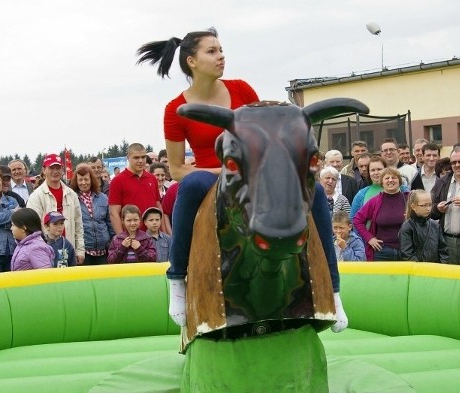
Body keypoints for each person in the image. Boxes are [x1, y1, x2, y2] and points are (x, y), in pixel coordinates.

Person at [137, 28, 347, 332]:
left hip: (252, 177)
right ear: (192, 61)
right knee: (191, 186)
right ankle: (177, 278)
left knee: (310, 192)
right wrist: (228, 172)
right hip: (212, 177)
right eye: (212, 51)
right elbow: (178, 169)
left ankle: (334, 290)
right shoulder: (174, 110)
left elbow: (268, 138)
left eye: (221, 49)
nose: (221, 56)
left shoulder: (242, 89)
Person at [27, 153, 85, 265]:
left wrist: (80, 251)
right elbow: (33, 228)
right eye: (51, 168)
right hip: (45, 253)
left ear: (63, 170)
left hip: (69, 250)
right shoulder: (36, 196)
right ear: (44, 170)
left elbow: (78, 224)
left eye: (58, 168)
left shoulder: (71, 194)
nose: (55, 171)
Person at [354, 168, 410, 261]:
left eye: (394, 177)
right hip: (382, 251)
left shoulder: (409, 199)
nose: (390, 180)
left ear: (399, 181)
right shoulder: (375, 201)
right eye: (387, 178)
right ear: (382, 182)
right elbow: (357, 220)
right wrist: (369, 238)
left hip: (407, 250)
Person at [108, 143, 164, 235]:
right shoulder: (118, 181)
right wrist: (121, 237)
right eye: (136, 158)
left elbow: (157, 205)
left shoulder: (152, 178)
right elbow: (114, 213)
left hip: (153, 235)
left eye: (143, 157)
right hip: (131, 236)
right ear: (128, 158)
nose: (141, 161)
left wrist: (162, 232)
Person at [70, 164, 114, 265]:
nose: (83, 183)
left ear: (91, 180)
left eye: (86, 179)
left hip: (104, 250)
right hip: (84, 251)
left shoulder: (103, 198)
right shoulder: (72, 199)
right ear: (76, 182)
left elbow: (109, 222)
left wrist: (113, 242)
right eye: (80, 180)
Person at [399, 189, 449, 263]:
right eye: (424, 205)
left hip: (435, 269)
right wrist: (422, 269)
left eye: (430, 205)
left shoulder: (435, 225)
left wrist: (443, 264)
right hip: (417, 271)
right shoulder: (407, 227)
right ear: (413, 206)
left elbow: (443, 249)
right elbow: (407, 254)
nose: (428, 209)